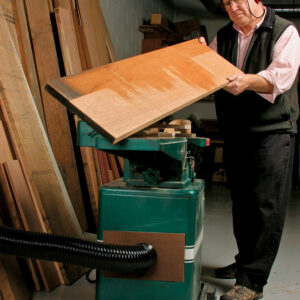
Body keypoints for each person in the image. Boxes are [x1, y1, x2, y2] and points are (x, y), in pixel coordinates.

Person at [199, 0, 300, 299]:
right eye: (226, 3)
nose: (231, 8)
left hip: (272, 131)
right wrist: (198, 57)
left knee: (265, 205)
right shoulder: (225, 35)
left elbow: (278, 78)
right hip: (237, 131)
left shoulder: (284, 31)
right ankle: (244, 263)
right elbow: (210, 70)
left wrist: (245, 81)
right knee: (242, 201)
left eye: (235, 0)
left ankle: (253, 282)